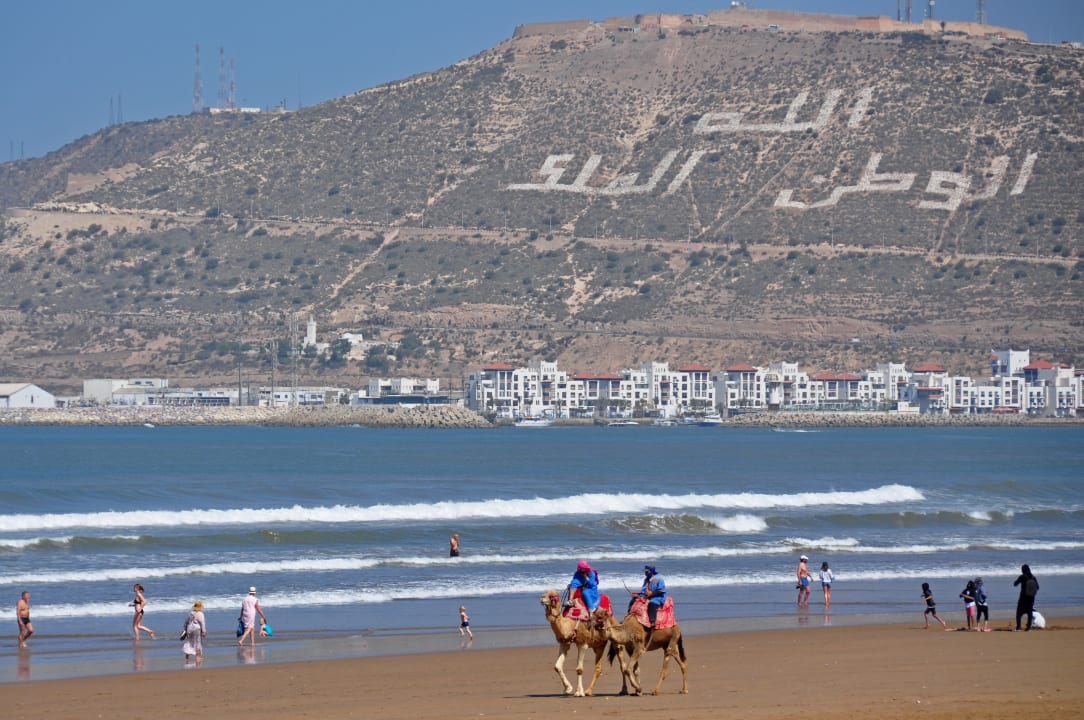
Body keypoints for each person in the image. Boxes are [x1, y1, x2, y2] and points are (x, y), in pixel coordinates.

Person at [635, 565, 667, 630]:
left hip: (657, 597)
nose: (645, 573)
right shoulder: (646, 580)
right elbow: (643, 590)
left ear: (651, 571)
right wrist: (638, 595)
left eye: (647, 572)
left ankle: (653, 622)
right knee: (634, 601)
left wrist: (651, 594)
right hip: (647, 597)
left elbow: (661, 591)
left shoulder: (659, 579)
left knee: (652, 604)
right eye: (645, 572)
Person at [1013, 564, 1039, 631]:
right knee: (1029, 612)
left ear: (1023, 570)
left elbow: (1015, 584)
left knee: (1019, 613)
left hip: (1023, 598)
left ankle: (1018, 627)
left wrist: (1015, 582)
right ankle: (1028, 628)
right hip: (1031, 598)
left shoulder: (1022, 577)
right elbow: (1038, 587)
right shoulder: (1033, 577)